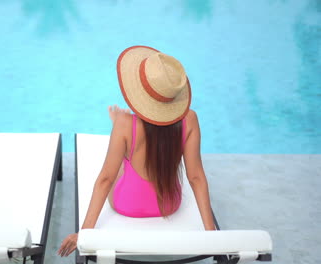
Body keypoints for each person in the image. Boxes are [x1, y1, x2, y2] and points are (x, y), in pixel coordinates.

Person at [58, 45, 215, 257]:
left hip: (127, 204)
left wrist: (84, 233)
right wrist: (212, 233)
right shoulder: (191, 119)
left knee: (122, 161)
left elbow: (106, 179)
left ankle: (124, 142)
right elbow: (196, 176)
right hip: (168, 204)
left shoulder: (125, 124)